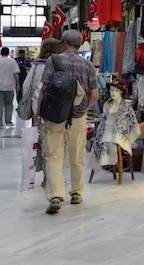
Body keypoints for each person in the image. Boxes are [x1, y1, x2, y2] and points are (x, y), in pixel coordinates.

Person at [39, 30, 99, 215]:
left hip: (55, 115)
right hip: (78, 117)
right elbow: (95, 95)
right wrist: (82, 109)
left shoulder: (54, 60)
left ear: (64, 43)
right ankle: (77, 193)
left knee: (53, 155)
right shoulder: (88, 65)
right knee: (77, 155)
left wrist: (40, 113)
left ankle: (56, 195)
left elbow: (45, 88)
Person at [21, 38, 62, 187]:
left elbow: (26, 87)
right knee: (56, 146)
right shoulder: (60, 66)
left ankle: (47, 177)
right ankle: (54, 176)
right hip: (58, 112)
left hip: (38, 111)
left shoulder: (36, 66)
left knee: (43, 145)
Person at [0, 47, 20, 128]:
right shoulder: (12, 61)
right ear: (8, 53)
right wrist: (17, 84)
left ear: (1, 52)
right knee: (9, 104)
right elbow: (16, 74)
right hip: (10, 86)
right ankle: (8, 121)